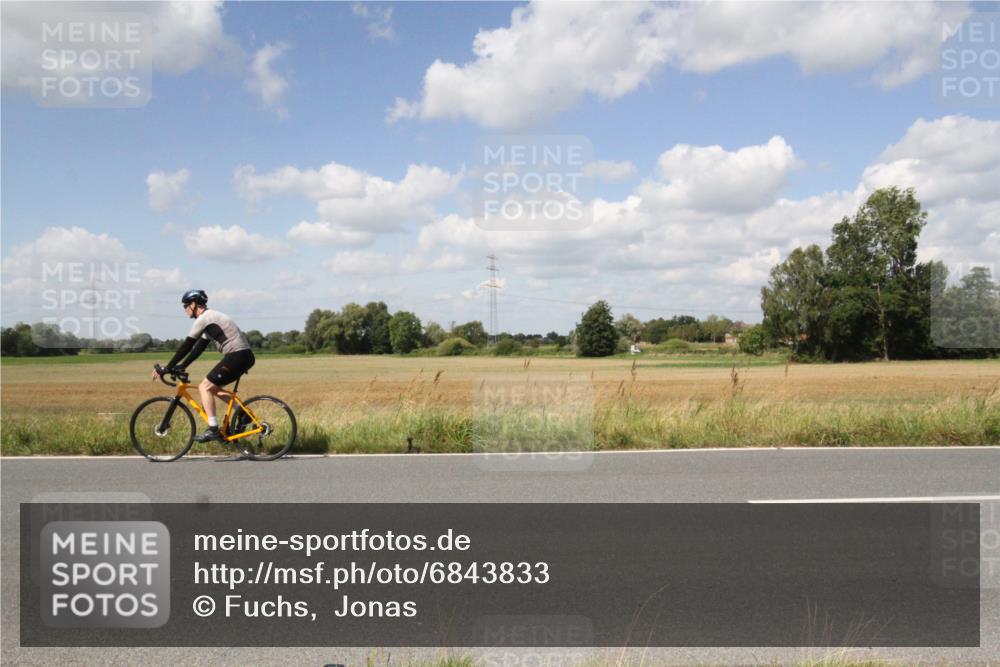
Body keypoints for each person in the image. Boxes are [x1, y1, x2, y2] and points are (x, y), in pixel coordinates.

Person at [153, 289, 255, 442]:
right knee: (213, 388)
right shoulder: (210, 320)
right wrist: (182, 365)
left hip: (237, 355)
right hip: (243, 356)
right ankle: (244, 415)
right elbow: (198, 348)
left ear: (194, 304)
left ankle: (213, 429)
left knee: (204, 387)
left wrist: (167, 368)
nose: (185, 310)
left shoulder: (204, 319)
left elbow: (187, 345)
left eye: (186, 306)